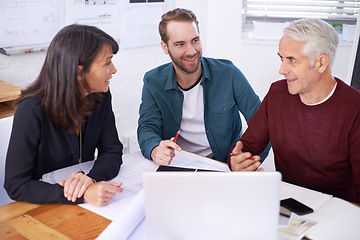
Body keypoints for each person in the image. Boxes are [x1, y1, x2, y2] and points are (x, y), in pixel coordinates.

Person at [229, 18, 360, 204]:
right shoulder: (277, 94)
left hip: (336, 214)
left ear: (321, 63)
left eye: (292, 60)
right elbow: (247, 147)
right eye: (281, 58)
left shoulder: (355, 109)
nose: (282, 70)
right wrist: (236, 162)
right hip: (287, 206)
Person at [5, 24, 124, 207]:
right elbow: (16, 184)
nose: (114, 70)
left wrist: (91, 180)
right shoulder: (31, 111)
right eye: (107, 63)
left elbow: (112, 150)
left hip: (85, 206)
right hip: (44, 206)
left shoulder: (101, 96)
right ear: (79, 71)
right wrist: (82, 195)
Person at [137, 8, 269, 165]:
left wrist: (245, 159)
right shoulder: (153, 81)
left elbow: (262, 124)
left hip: (223, 165)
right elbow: (147, 127)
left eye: (195, 40)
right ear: (165, 47)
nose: (191, 51)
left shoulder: (229, 73)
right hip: (178, 163)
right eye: (180, 44)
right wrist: (155, 149)